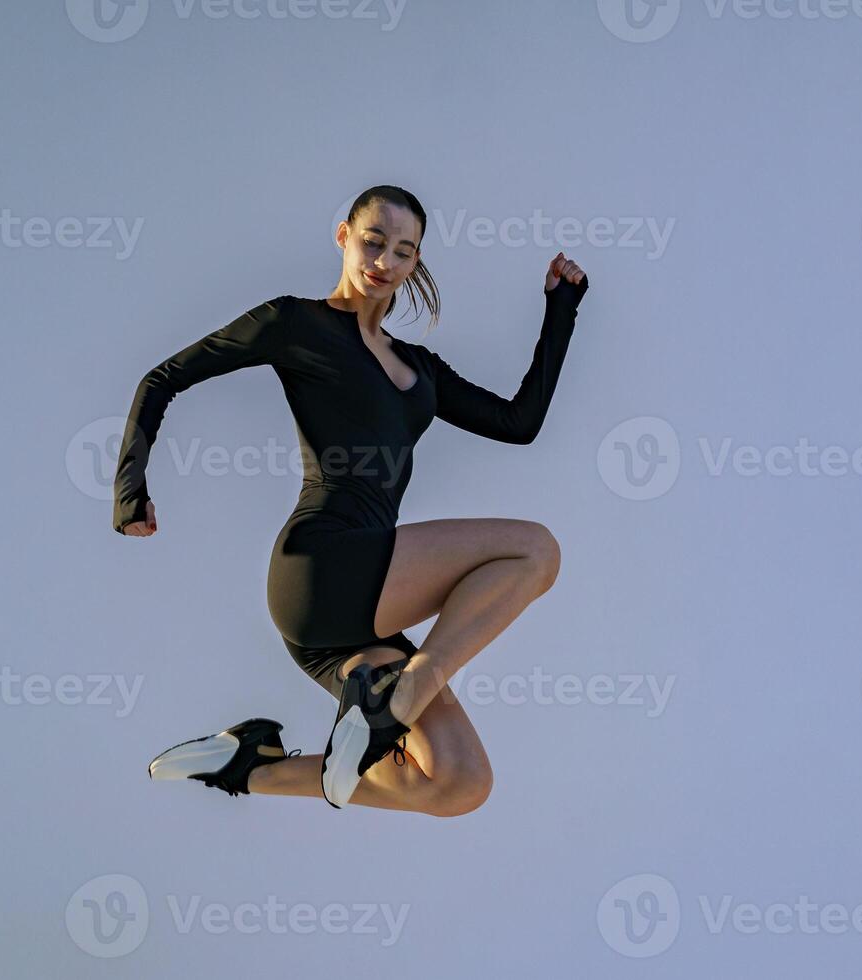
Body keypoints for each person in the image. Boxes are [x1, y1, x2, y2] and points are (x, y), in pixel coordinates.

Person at [117, 184, 589, 815]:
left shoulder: (419, 367)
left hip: (346, 625)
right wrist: (131, 491)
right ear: (343, 236)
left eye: (403, 251)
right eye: (373, 241)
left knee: (459, 783)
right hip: (323, 564)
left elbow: (519, 422)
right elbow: (163, 378)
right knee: (535, 550)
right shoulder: (295, 323)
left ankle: (245, 766)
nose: (384, 262)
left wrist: (562, 309)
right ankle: (396, 700)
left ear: (415, 262)